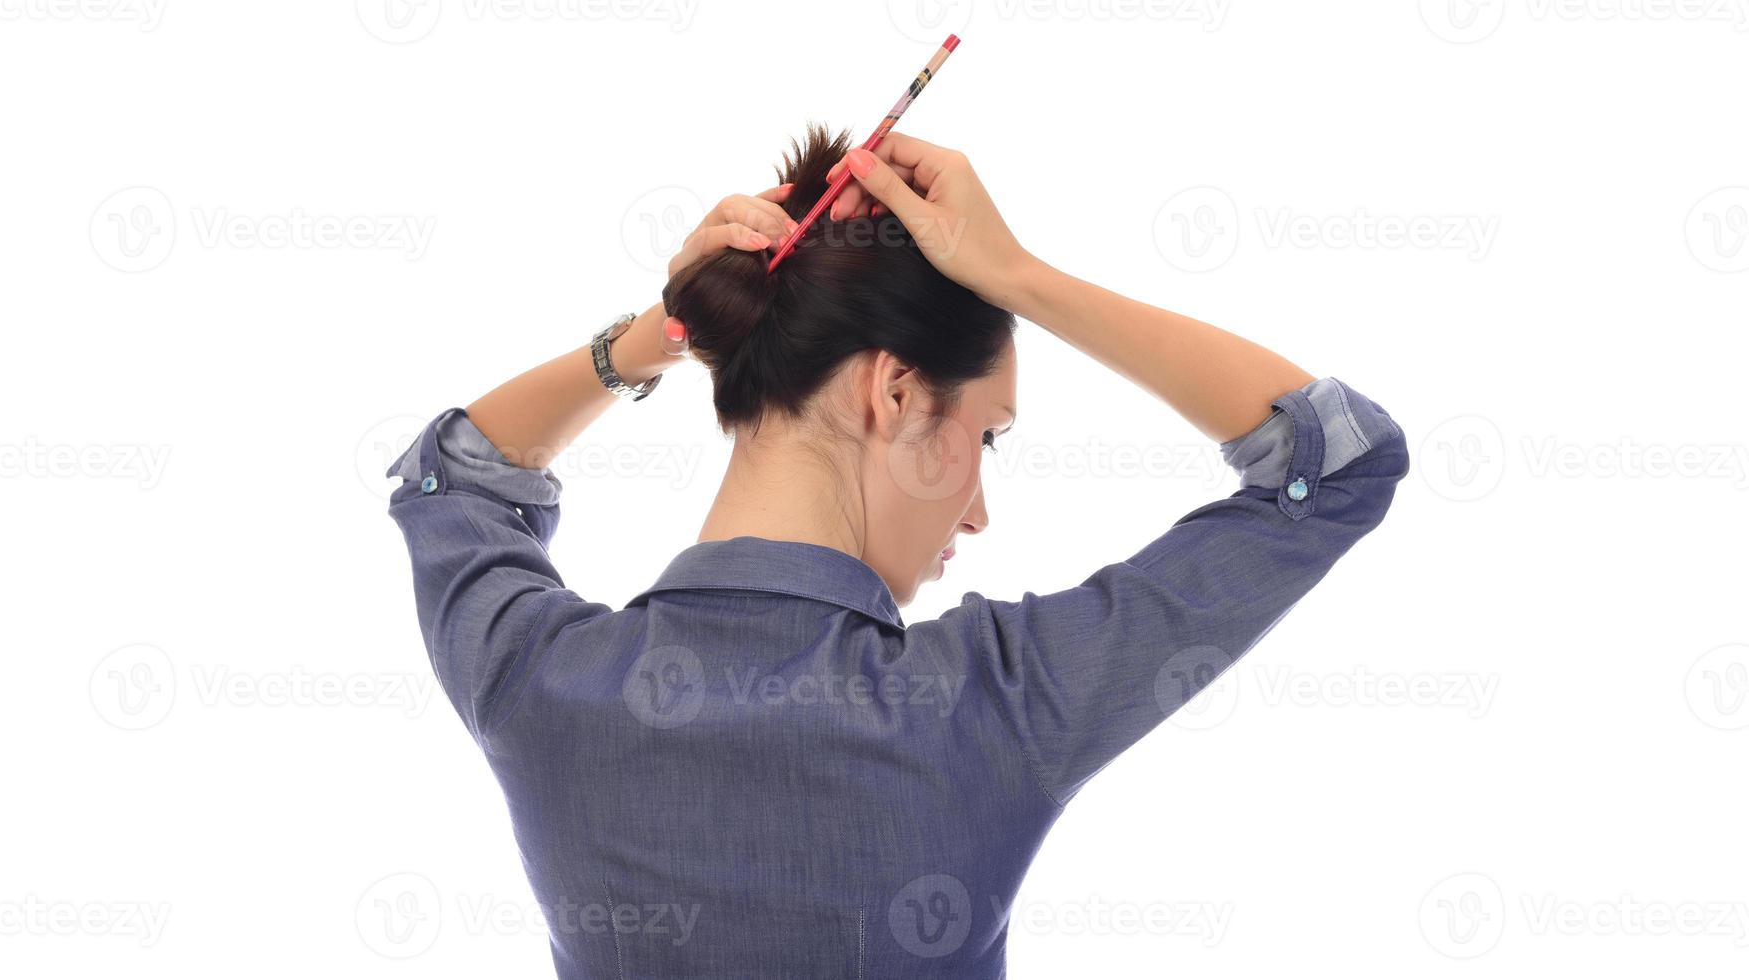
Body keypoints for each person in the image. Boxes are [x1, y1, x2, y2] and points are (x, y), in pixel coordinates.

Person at [384, 124, 1409, 977]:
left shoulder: (534, 681)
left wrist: (661, 332)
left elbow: (454, 472)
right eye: (986, 436)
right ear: (894, 390)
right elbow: (1331, 463)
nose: (976, 514)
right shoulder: (998, 705)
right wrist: (1016, 276)